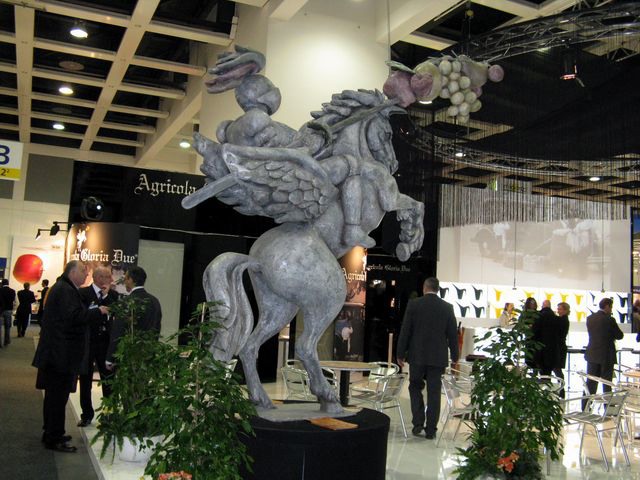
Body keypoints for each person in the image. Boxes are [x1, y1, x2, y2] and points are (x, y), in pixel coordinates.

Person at [32, 260, 90, 453]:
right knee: (57, 398)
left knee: (54, 398)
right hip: (60, 355)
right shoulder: (65, 290)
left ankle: (51, 431)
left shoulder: (63, 288)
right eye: (83, 271)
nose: (86, 274)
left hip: (57, 354)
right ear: (72, 272)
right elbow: (73, 318)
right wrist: (95, 313)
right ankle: (54, 437)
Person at [396, 277, 459, 439]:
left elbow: (406, 330)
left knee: (415, 386)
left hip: (417, 355)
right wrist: (455, 356)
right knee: (434, 392)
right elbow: (453, 334)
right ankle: (431, 429)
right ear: (437, 289)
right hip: (437, 357)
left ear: (424, 288)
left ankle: (418, 422)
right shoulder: (447, 308)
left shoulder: (414, 305)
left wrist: (400, 353)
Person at [77, 266, 119, 427]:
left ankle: (108, 415)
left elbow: (115, 312)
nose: (110, 279)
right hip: (88, 342)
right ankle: (86, 414)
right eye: (107, 276)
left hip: (105, 343)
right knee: (85, 379)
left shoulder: (113, 295)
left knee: (108, 380)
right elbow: (84, 314)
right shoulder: (83, 293)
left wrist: (106, 295)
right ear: (98, 277)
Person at [106, 266, 161, 369]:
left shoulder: (127, 302)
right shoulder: (155, 301)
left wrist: (110, 357)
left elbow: (118, 330)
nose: (124, 282)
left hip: (129, 355)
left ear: (130, 280)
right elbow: (157, 328)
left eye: (125, 278)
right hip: (149, 354)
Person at [584, 297, 624, 409]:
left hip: (592, 354)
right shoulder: (609, 320)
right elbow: (619, 335)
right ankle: (608, 408)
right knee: (607, 383)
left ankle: (585, 406)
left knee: (590, 382)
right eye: (611, 307)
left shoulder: (590, 318)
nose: (611, 310)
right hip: (606, 355)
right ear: (607, 306)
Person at [0, 279, 16, 347]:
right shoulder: (12, 291)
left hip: (0, 310)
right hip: (8, 310)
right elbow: (14, 301)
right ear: (8, 283)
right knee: (7, 327)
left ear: (2, 284)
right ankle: (6, 341)